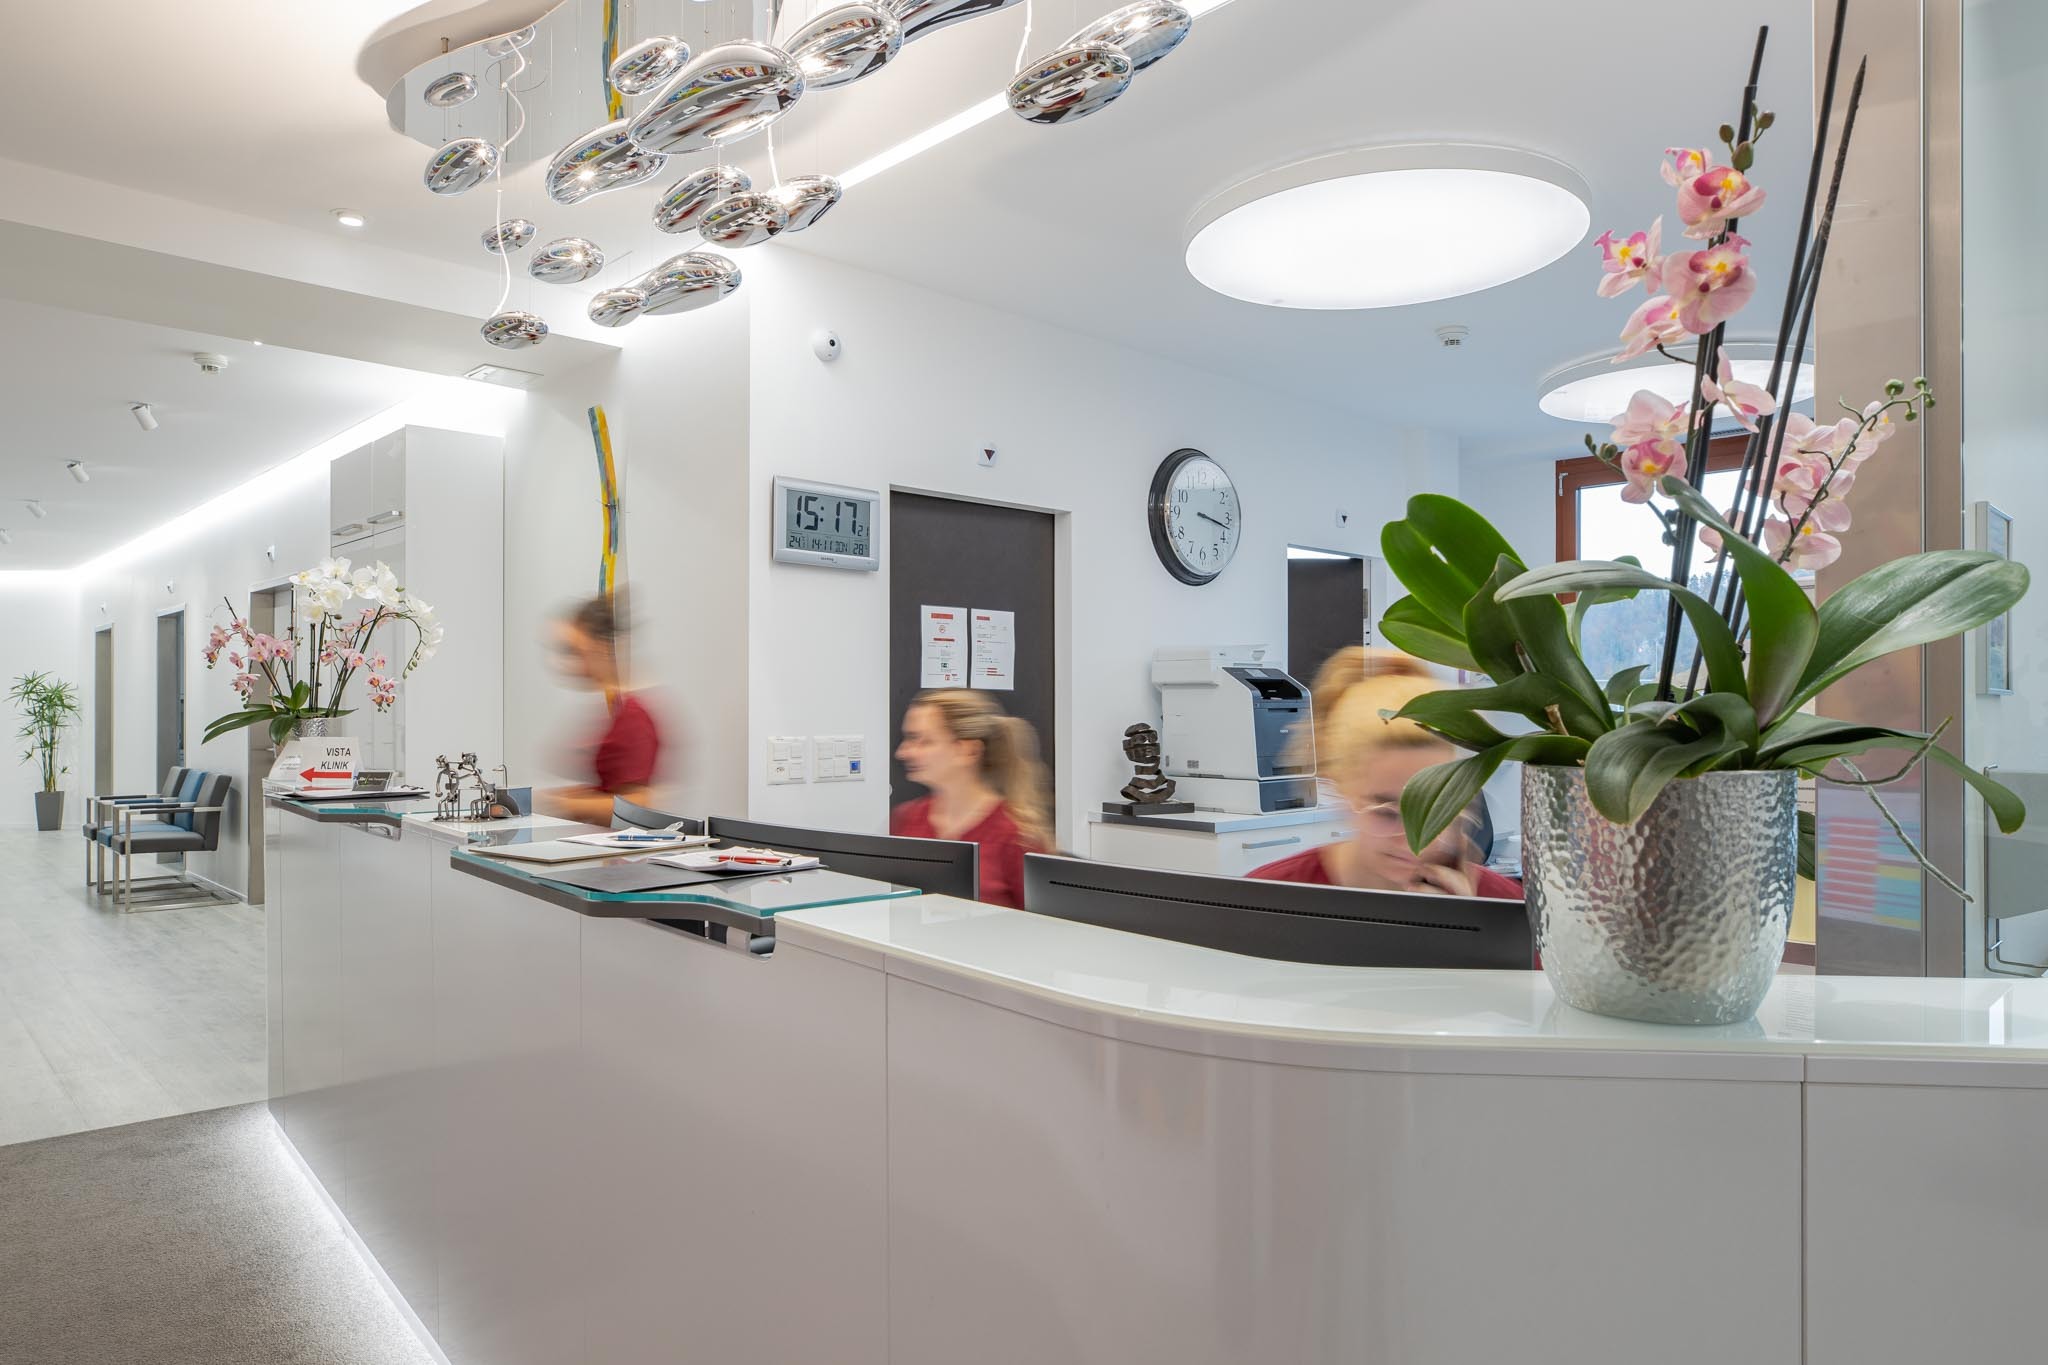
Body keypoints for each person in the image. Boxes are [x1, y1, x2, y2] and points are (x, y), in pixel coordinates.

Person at [1249, 651, 1522, 899]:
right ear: (1343, 789)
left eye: (1436, 814)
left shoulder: (1506, 906)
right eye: (1387, 814)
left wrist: (1469, 927)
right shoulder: (1268, 899)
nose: (1414, 843)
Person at [891, 690, 1052, 909]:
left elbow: (1046, 924)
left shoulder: (1017, 837)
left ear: (967, 750)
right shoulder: (907, 818)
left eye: (923, 741)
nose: (903, 752)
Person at [536, 595, 663, 824]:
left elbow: (638, 804)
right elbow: (609, 789)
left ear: (601, 648)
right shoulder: (613, 708)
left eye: (577, 651)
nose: (570, 663)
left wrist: (559, 803)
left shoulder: (633, 715)